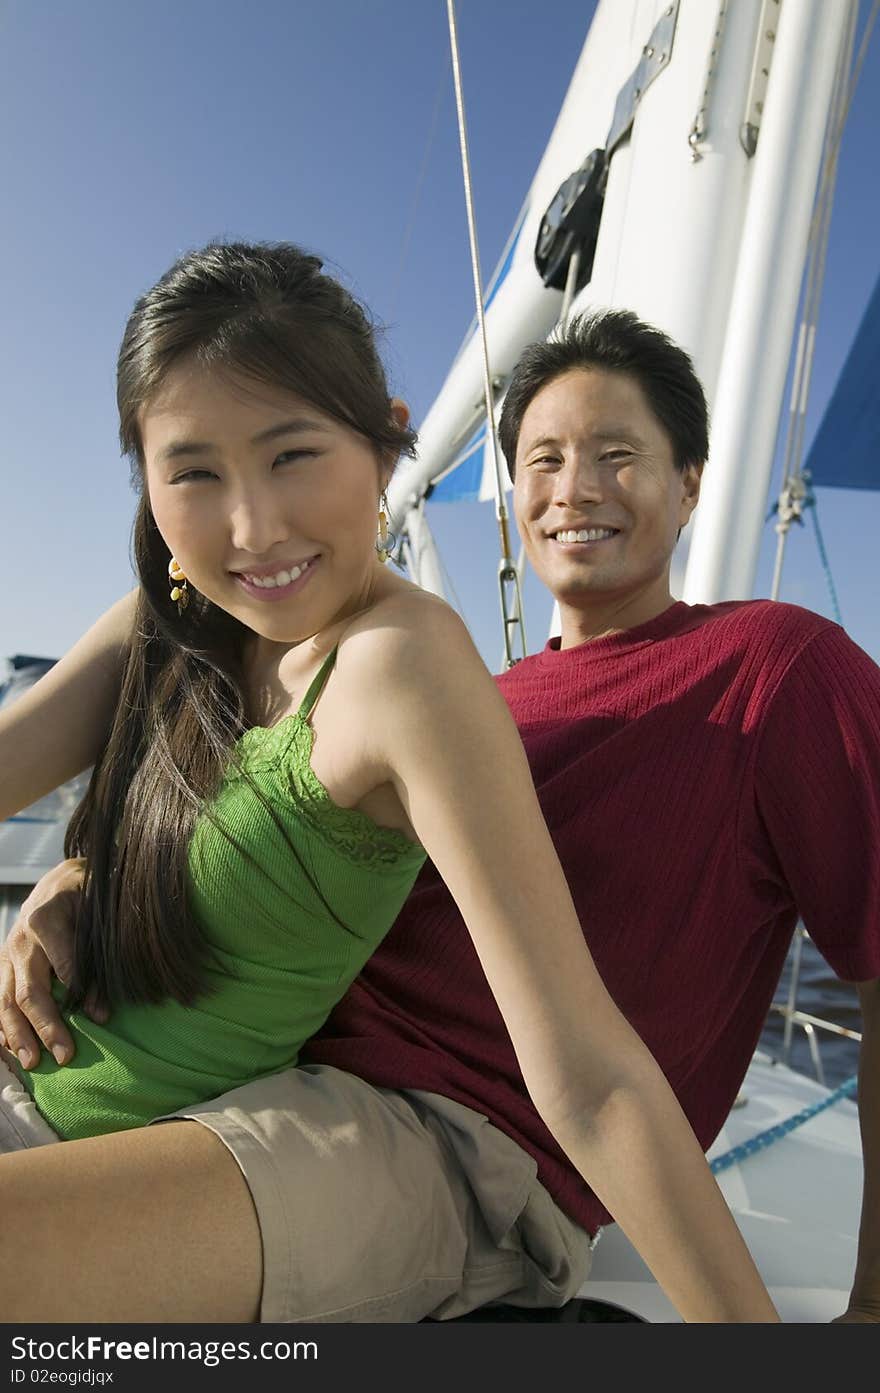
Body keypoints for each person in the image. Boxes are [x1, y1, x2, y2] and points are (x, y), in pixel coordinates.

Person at [5, 301, 870, 1325]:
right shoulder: (478, 698)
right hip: (256, 1068)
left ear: (690, 483)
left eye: (617, 455)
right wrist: (95, 880)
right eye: (542, 459)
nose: (574, 488)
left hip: (448, 1141)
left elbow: (595, 1069)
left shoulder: (775, 666)